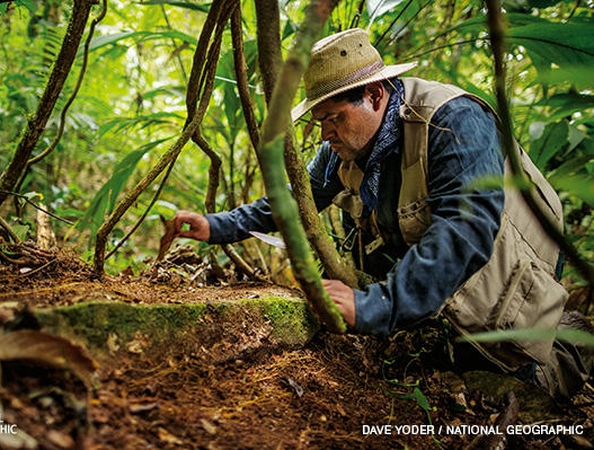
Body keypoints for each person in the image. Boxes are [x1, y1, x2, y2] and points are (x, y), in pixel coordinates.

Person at [172, 28, 592, 399]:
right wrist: (216, 226)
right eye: (320, 121)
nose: (325, 133)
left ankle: (576, 341)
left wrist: (376, 306)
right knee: (451, 366)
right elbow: (295, 202)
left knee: (520, 378)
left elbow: (463, 232)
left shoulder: (453, 121)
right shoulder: (342, 147)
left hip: (510, 274)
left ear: (374, 95)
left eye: (334, 117)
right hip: (446, 293)